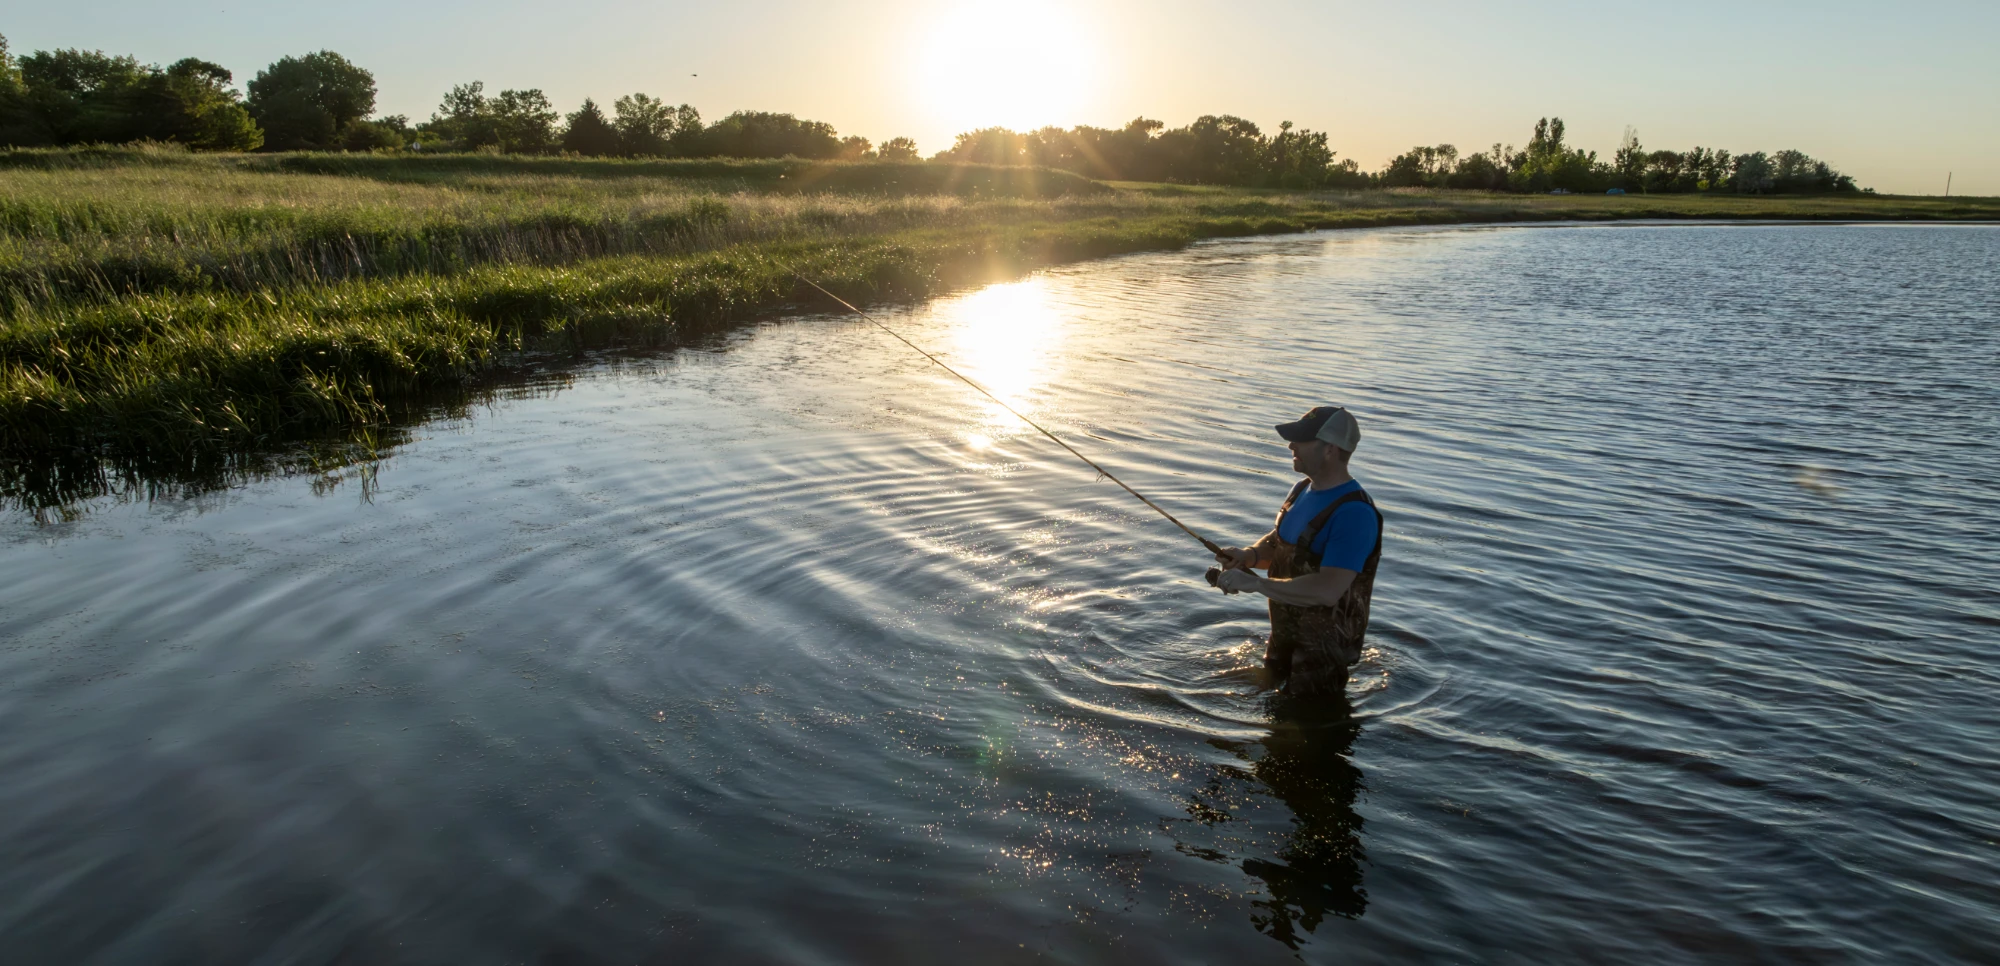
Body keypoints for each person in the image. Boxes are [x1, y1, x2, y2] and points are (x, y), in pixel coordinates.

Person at [1213, 406, 1383, 697]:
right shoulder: (1301, 490)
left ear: (1330, 449)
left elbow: (1327, 590)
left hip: (1323, 658)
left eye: (1301, 440)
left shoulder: (1355, 514)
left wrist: (1256, 584)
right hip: (1283, 638)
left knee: (1311, 719)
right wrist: (1249, 556)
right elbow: (1280, 544)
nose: (1291, 445)